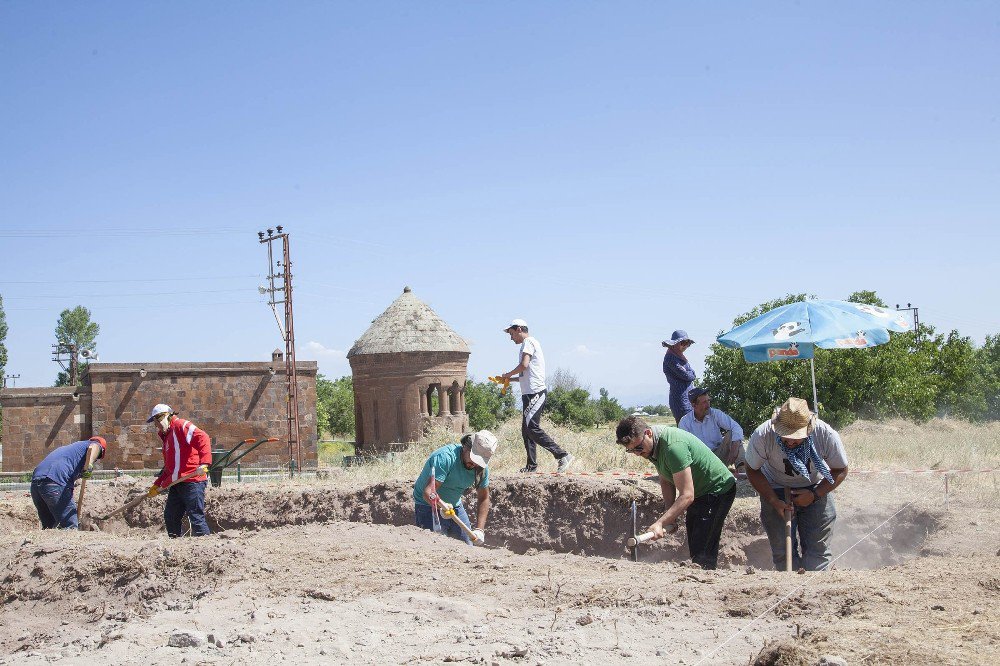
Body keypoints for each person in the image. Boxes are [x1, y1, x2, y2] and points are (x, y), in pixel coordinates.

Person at [615, 415, 736, 569]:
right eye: (631, 451)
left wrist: (660, 523)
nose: (637, 454)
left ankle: (706, 577)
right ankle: (701, 571)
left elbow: (687, 495)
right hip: (700, 492)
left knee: (703, 545)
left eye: (638, 448)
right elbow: (666, 479)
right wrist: (669, 514)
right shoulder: (652, 447)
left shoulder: (673, 447)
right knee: (695, 538)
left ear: (648, 433)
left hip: (718, 489)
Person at [744, 397, 849, 572]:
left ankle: (815, 589)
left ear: (809, 428)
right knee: (783, 554)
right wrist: (773, 500)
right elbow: (752, 469)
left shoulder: (825, 434)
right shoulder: (763, 435)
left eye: (796, 437)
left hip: (815, 487)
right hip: (775, 487)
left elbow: (840, 469)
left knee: (818, 553)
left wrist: (814, 495)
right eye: (786, 436)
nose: (791, 441)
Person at [499, 318, 574, 473]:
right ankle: (531, 466)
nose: (511, 338)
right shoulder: (528, 344)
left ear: (519, 329)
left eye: (512, 333)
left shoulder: (529, 342)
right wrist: (507, 379)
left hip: (535, 393)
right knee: (527, 430)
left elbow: (523, 365)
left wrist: (507, 373)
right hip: (529, 393)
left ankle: (563, 455)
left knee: (531, 427)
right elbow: (525, 374)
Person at [413, 430, 498, 545]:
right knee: (436, 548)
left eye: (479, 462)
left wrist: (479, 530)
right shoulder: (445, 458)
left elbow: (483, 497)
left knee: (467, 546)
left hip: (454, 505)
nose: (475, 464)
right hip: (427, 505)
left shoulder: (480, 469)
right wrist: (442, 505)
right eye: (473, 459)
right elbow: (428, 492)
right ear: (466, 448)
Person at [147, 403, 213, 537]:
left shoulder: (181, 425)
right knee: (170, 517)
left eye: (156, 421)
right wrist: (158, 484)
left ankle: (206, 548)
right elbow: (169, 468)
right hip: (177, 482)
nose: (155, 426)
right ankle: (176, 546)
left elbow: (202, 437)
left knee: (196, 517)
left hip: (192, 481)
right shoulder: (167, 437)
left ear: (164, 417)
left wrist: (204, 462)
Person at [30, 436, 107, 530]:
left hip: (36, 484)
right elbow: (95, 446)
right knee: (70, 526)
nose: (96, 460)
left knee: (50, 528)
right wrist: (90, 464)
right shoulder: (93, 445)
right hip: (54, 482)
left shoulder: (71, 450)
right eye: (97, 458)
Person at [677, 387, 745, 468]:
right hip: (700, 461)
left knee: (733, 436)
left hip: (719, 456)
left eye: (708, 400)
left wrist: (735, 447)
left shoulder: (715, 414)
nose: (708, 405)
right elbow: (683, 447)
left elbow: (736, 427)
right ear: (694, 405)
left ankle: (742, 470)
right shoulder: (685, 422)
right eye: (704, 402)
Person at [662, 330, 697, 423]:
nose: (685, 346)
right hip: (680, 400)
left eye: (687, 343)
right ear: (674, 344)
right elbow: (688, 376)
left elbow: (691, 373)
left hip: (688, 398)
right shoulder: (670, 358)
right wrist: (690, 373)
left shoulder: (680, 357)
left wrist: (690, 373)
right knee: (686, 427)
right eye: (683, 343)